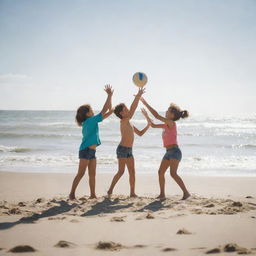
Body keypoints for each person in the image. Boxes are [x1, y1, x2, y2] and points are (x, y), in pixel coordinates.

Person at [69, 85, 114, 200]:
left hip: (92, 151)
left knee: (92, 174)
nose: (93, 111)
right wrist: (109, 95)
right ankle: (72, 193)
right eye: (91, 110)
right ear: (87, 114)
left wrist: (111, 97)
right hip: (85, 150)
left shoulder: (91, 121)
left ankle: (93, 195)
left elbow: (108, 112)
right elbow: (104, 111)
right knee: (81, 173)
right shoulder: (90, 121)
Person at [140, 98, 190, 200]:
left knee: (173, 173)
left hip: (175, 152)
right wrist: (146, 117)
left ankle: (186, 193)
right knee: (160, 172)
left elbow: (157, 116)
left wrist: (146, 103)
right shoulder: (166, 125)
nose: (166, 112)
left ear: (172, 115)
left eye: (168, 111)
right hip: (168, 152)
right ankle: (162, 194)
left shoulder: (171, 123)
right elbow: (153, 125)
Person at [107, 88, 150, 197]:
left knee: (132, 172)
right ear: (121, 113)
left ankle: (132, 193)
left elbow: (140, 133)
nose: (128, 110)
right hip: (122, 149)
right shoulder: (123, 121)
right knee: (121, 172)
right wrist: (137, 97)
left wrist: (148, 125)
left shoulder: (129, 122)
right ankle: (110, 189)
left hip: (129, 150)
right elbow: (133, 109)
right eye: (126, 109)